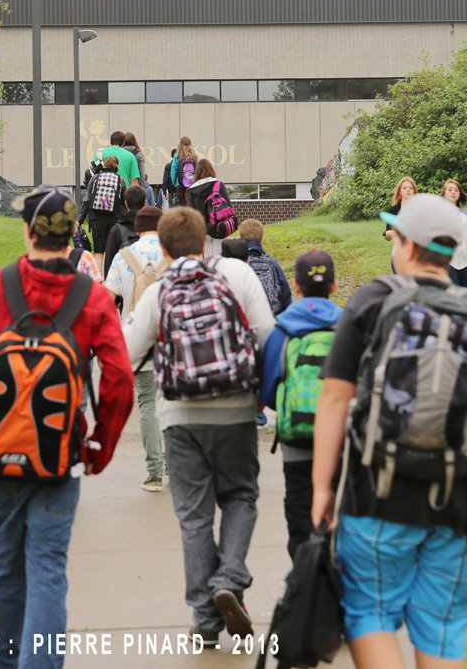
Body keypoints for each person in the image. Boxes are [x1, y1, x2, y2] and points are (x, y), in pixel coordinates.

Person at [312, 193, 467, 669]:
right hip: (456, 504)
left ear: (404, 246)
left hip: (374, 496)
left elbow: (335, 398)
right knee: (443, 630)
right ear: (451, 251)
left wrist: (323, 487)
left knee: (371, 616)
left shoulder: (371, 301)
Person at [0, 185, 134, 669]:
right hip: (58, 454)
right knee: (47, 568)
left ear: (28, 231)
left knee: (3, 565)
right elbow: (119, 381)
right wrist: (98, 447)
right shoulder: (89, 298)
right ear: (73, 235)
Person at [122, 208, 276, 646]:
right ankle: (229, 577)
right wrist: (262, 393)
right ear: (206, 240)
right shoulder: (237, 277)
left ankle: (206, 623)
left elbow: (128, 353)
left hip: (180, 416)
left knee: (194, 517)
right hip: (236, 408)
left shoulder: (159, 291)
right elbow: (269, 334)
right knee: (241, 496)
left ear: (165, 249)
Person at [259, 250, 342, 558]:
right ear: (333, 286)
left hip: (297, 441)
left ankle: (305, 587)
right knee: (340, 518)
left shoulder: (281, 328)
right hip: (341, 443)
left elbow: (267, 392)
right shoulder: (350, 326)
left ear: (295, 286)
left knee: (300, 519)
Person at [105, 204, 167, 492]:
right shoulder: (173, 255)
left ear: (138, 228)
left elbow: (107, 299)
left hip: (137, 339)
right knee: (172, 402)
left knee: (147, 404)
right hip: (171, 338)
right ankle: (173, 462)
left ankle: (154, 472)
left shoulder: (123, 256)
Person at [78, 154, 126, 273]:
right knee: (111, 250)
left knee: (98, 251)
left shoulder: (95, 178)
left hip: (96, 218)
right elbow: (124, 202)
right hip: (113, 218)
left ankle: (97, 278)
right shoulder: (120, 179)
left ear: (104, 165)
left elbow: (87, 199)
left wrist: (80, 219)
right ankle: (110, 277)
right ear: (117, 166)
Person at [238, 218, 292, 314]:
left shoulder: (235, 264)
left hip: (243, 320)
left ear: (239, 237)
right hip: (271, 319)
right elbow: (286, 296)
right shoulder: (272, 264)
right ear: (262, 239)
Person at [187, 158, 237, 256]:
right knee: (218, 258)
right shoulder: (218, 184)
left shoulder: (192, 190)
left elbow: (190, 214)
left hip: (202, 229)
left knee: (205, 260)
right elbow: (229, 207)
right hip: (219, 225)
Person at [102, 183, 146, 279]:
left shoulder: (116, 230)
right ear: (145, 203)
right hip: (148, 288)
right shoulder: (153, 229)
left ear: (126, 204)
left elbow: (109, 266)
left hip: (122, 288)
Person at [382, 177, 419, 273]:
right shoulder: (393, 210)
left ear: (414, 192)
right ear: (400, 192)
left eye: (411, 188)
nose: (408, 190)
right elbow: (387, 235)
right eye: (405, 188)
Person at [173, 136, 198, 206]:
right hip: (192, 183)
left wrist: (175, 183)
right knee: (192, 203)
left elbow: (173, 171)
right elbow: (197, 169)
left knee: (182, 203)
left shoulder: (177, 156)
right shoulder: (194, 156)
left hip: (180, 182)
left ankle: (183, 216)